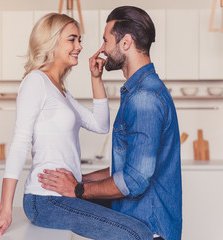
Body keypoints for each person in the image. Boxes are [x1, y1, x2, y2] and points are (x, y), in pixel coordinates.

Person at [0, 12, 153, 239]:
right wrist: (5, 209)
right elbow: (20, 144)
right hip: (45, 199)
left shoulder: (61, 92)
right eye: (72, 39)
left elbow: (100, 125)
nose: (79, 46)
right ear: (51, 41)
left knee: (139, 220)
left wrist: (96, 79)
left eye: (79, 40)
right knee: (136, 233)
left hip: (66, 195)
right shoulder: (35, 82)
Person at [38, 6, 182, 240]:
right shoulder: (140, 90)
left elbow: (134, 179)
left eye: (106, 41)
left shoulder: (144, 98)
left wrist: (77, 189)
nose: (102, 48)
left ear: (126, 43)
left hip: (149, 229)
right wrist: (82, 180)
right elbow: (128, 167)